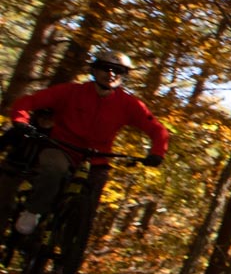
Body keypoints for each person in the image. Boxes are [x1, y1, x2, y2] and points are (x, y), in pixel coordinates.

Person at [0, 48, 169, 234]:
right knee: (54, 170)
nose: (111, 74)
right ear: (95, 71)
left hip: (96, 160)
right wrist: (20, 120)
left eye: (118, 71)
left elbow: (157, 129)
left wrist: (157, 153)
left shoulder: (130, 104)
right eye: (105, 68)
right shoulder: (71, 92)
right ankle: (33, 212)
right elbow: (28, 101)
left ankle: (71, 245)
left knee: (90, 199)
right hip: (61, 147)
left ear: (124, 76)